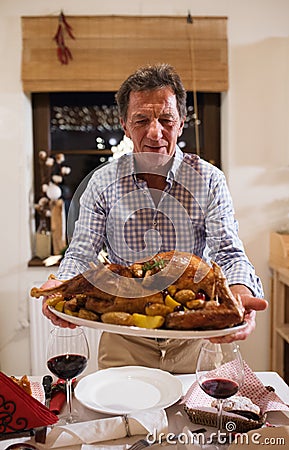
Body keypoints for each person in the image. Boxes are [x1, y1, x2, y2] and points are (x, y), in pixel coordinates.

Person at [41, 63, 267, 373]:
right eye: (142, 120)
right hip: (124, 336)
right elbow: (81, 253)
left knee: (200, 418)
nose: (154, 132)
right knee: (122, 421)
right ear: (124, 125)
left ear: (182, 123)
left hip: (195, 334)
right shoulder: (102, 183)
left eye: (165, 119)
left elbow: (228, 252)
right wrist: (59, 289)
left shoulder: (209, 180)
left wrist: (241, 294)